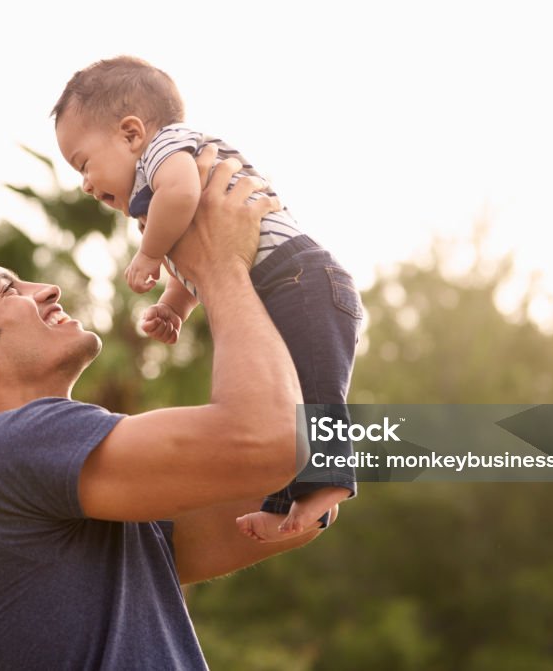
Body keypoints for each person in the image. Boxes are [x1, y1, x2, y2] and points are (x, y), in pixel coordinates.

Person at [0, 151, 335, 670]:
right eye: (10, 289)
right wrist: (220, 267)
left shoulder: (57, 490)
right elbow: (271, 442)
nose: (47, 289)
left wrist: (420, 440)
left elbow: (288, 494)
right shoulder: (6, 447)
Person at [52, 55, 363, 541]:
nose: (86, 184)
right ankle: (289, 501)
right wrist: (175, 305)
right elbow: (196, 259)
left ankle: (331, 482)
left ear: (132, 133)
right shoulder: (152, 186)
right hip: (281, 283)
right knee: (285, 403)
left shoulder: (166, 150)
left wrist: (149, 255)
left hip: (300, 278)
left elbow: (182, 195)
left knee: (315, 391)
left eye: (84, 164)